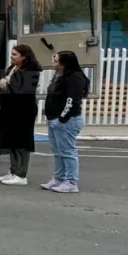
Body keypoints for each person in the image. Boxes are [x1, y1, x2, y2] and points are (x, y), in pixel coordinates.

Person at [0, 44, 42, 186]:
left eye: (15, 54)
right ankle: (13, 170)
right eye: (12, 53)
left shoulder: (31, 70)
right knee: (11, 140)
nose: (12, 56)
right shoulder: (12, 68)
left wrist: (8, 84)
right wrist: (7, 83)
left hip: (23, 110)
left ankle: (21, 174)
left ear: (24, 56)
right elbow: (5, 83)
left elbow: (20, 88)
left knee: (22, 141)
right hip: (9, 108)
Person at [42, 50, 88, 193]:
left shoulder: (75, 78)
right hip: (54, 118)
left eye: (56, 61)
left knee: (67, 152)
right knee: (58, 151)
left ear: (65, 63)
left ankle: (71, 181)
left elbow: (72, 100)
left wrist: (62, 118)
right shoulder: (60, 76)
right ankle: (59, 177)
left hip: (67, 120)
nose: (54, 64)